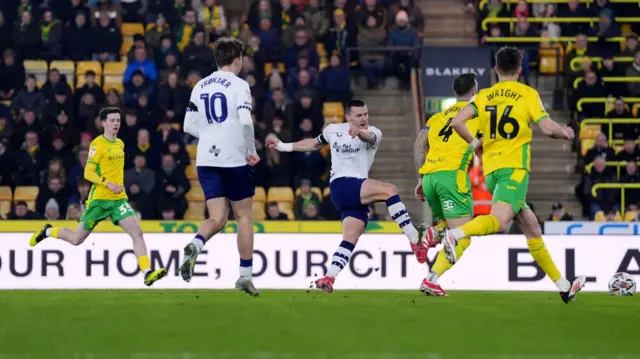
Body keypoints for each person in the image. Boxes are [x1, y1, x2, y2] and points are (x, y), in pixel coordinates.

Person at [442, 47, 585, 304]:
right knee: (498, 222)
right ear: (520, 69)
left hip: (493, 170)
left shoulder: (483, 96)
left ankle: (564, 286)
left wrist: (476, 145)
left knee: (532, 228)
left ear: (495, 69)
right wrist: (566, 132)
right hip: (515, 169)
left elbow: (457, 122)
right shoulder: (527, 94)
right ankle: (455, 234)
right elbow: (547, 128)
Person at [266, 100, 430, 293]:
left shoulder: (375, 132)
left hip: (356, 192)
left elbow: (369, 138)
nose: (363, 118)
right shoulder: (333, 129)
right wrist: (283, 146)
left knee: (350, 239)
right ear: (348, 117)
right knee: (390, 190)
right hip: (341, 185)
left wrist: (359, 132)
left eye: (365, 114)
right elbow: (314, 144)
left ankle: (329, 278)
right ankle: (414, 239)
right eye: (359, 115)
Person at [29, 107, 167, 287]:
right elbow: (88, 172)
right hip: (99, 200)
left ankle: (147, 272)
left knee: (137, 233)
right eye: (112, 120)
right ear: (103, 123)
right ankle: (47, 231)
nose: (116, 123)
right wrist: (107, 183)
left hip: (118, 200)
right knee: (76, 239)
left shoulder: (120, 144)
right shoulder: (97, 144)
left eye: (118, 120)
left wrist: (117, 185)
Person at [181, 37, 261, 296]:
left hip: (206, 159)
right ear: (237, 60)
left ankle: (196, 243)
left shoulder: (200, 85)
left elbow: (187, 126)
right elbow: (245, 121)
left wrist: (210, 133)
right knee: (243, 217)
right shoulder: (240, 85)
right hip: (234, 159)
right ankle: (245, 276)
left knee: (217, 217)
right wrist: (250, 150)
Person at [413, 73, 479, 296]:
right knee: (464, 236)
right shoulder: (477, 112)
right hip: (452, 176)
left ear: (454, 93)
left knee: (452, 229)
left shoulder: (437, 117)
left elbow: (418, 144)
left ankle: (432, 241)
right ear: (474, 91)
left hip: (431, 177)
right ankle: (432, 277)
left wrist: (421, 177)